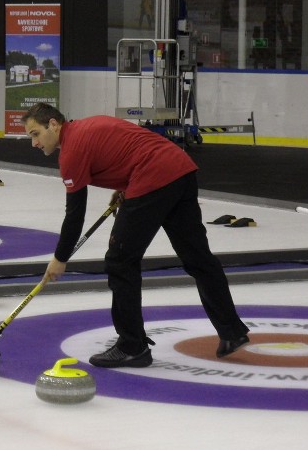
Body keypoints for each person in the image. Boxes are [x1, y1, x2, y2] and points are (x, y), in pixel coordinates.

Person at [21, 102, 250, 368]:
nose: (34, 143)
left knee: (120, 260)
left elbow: (75, 215)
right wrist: (126, 185)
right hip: (180, 170)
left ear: (53, 124)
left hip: (152, 177)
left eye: (35, 134)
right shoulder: (87, 125)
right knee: (197, 257)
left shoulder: (70, 153)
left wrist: (60, 258)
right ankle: (232, 331)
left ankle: (132, 346)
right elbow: (130, 148)